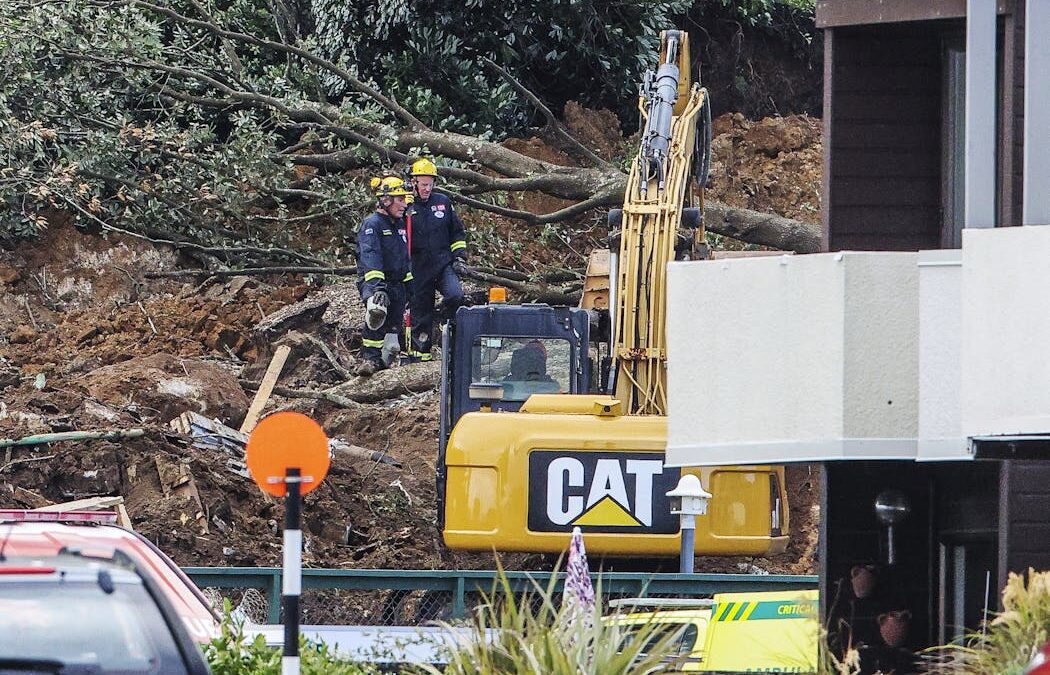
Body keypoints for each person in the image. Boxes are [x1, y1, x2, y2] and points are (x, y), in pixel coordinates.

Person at [405, 158, 468, 362]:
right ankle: (420, 356)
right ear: (413, 182)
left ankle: (445, 327)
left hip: (442, 264)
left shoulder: (443, 202)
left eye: (430, 184)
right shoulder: (405, 206)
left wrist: (459, 257)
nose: (427, 189)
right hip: (417, 267)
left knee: (455, 295)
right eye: (423, 185)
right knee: (420, 313)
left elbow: (457, 233)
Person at [356, 175, 413, 376]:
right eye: (400, 199)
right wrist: (377, 288)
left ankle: (384, 363)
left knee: (393, 334)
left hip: (397, 282)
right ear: (386, 200)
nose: (404, 204)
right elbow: (371, 257)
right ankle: (369, 359)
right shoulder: (372, 224)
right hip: (375, 282)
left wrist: (409, 286)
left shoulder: (399, 224)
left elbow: (403, 257)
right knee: (377, 312)